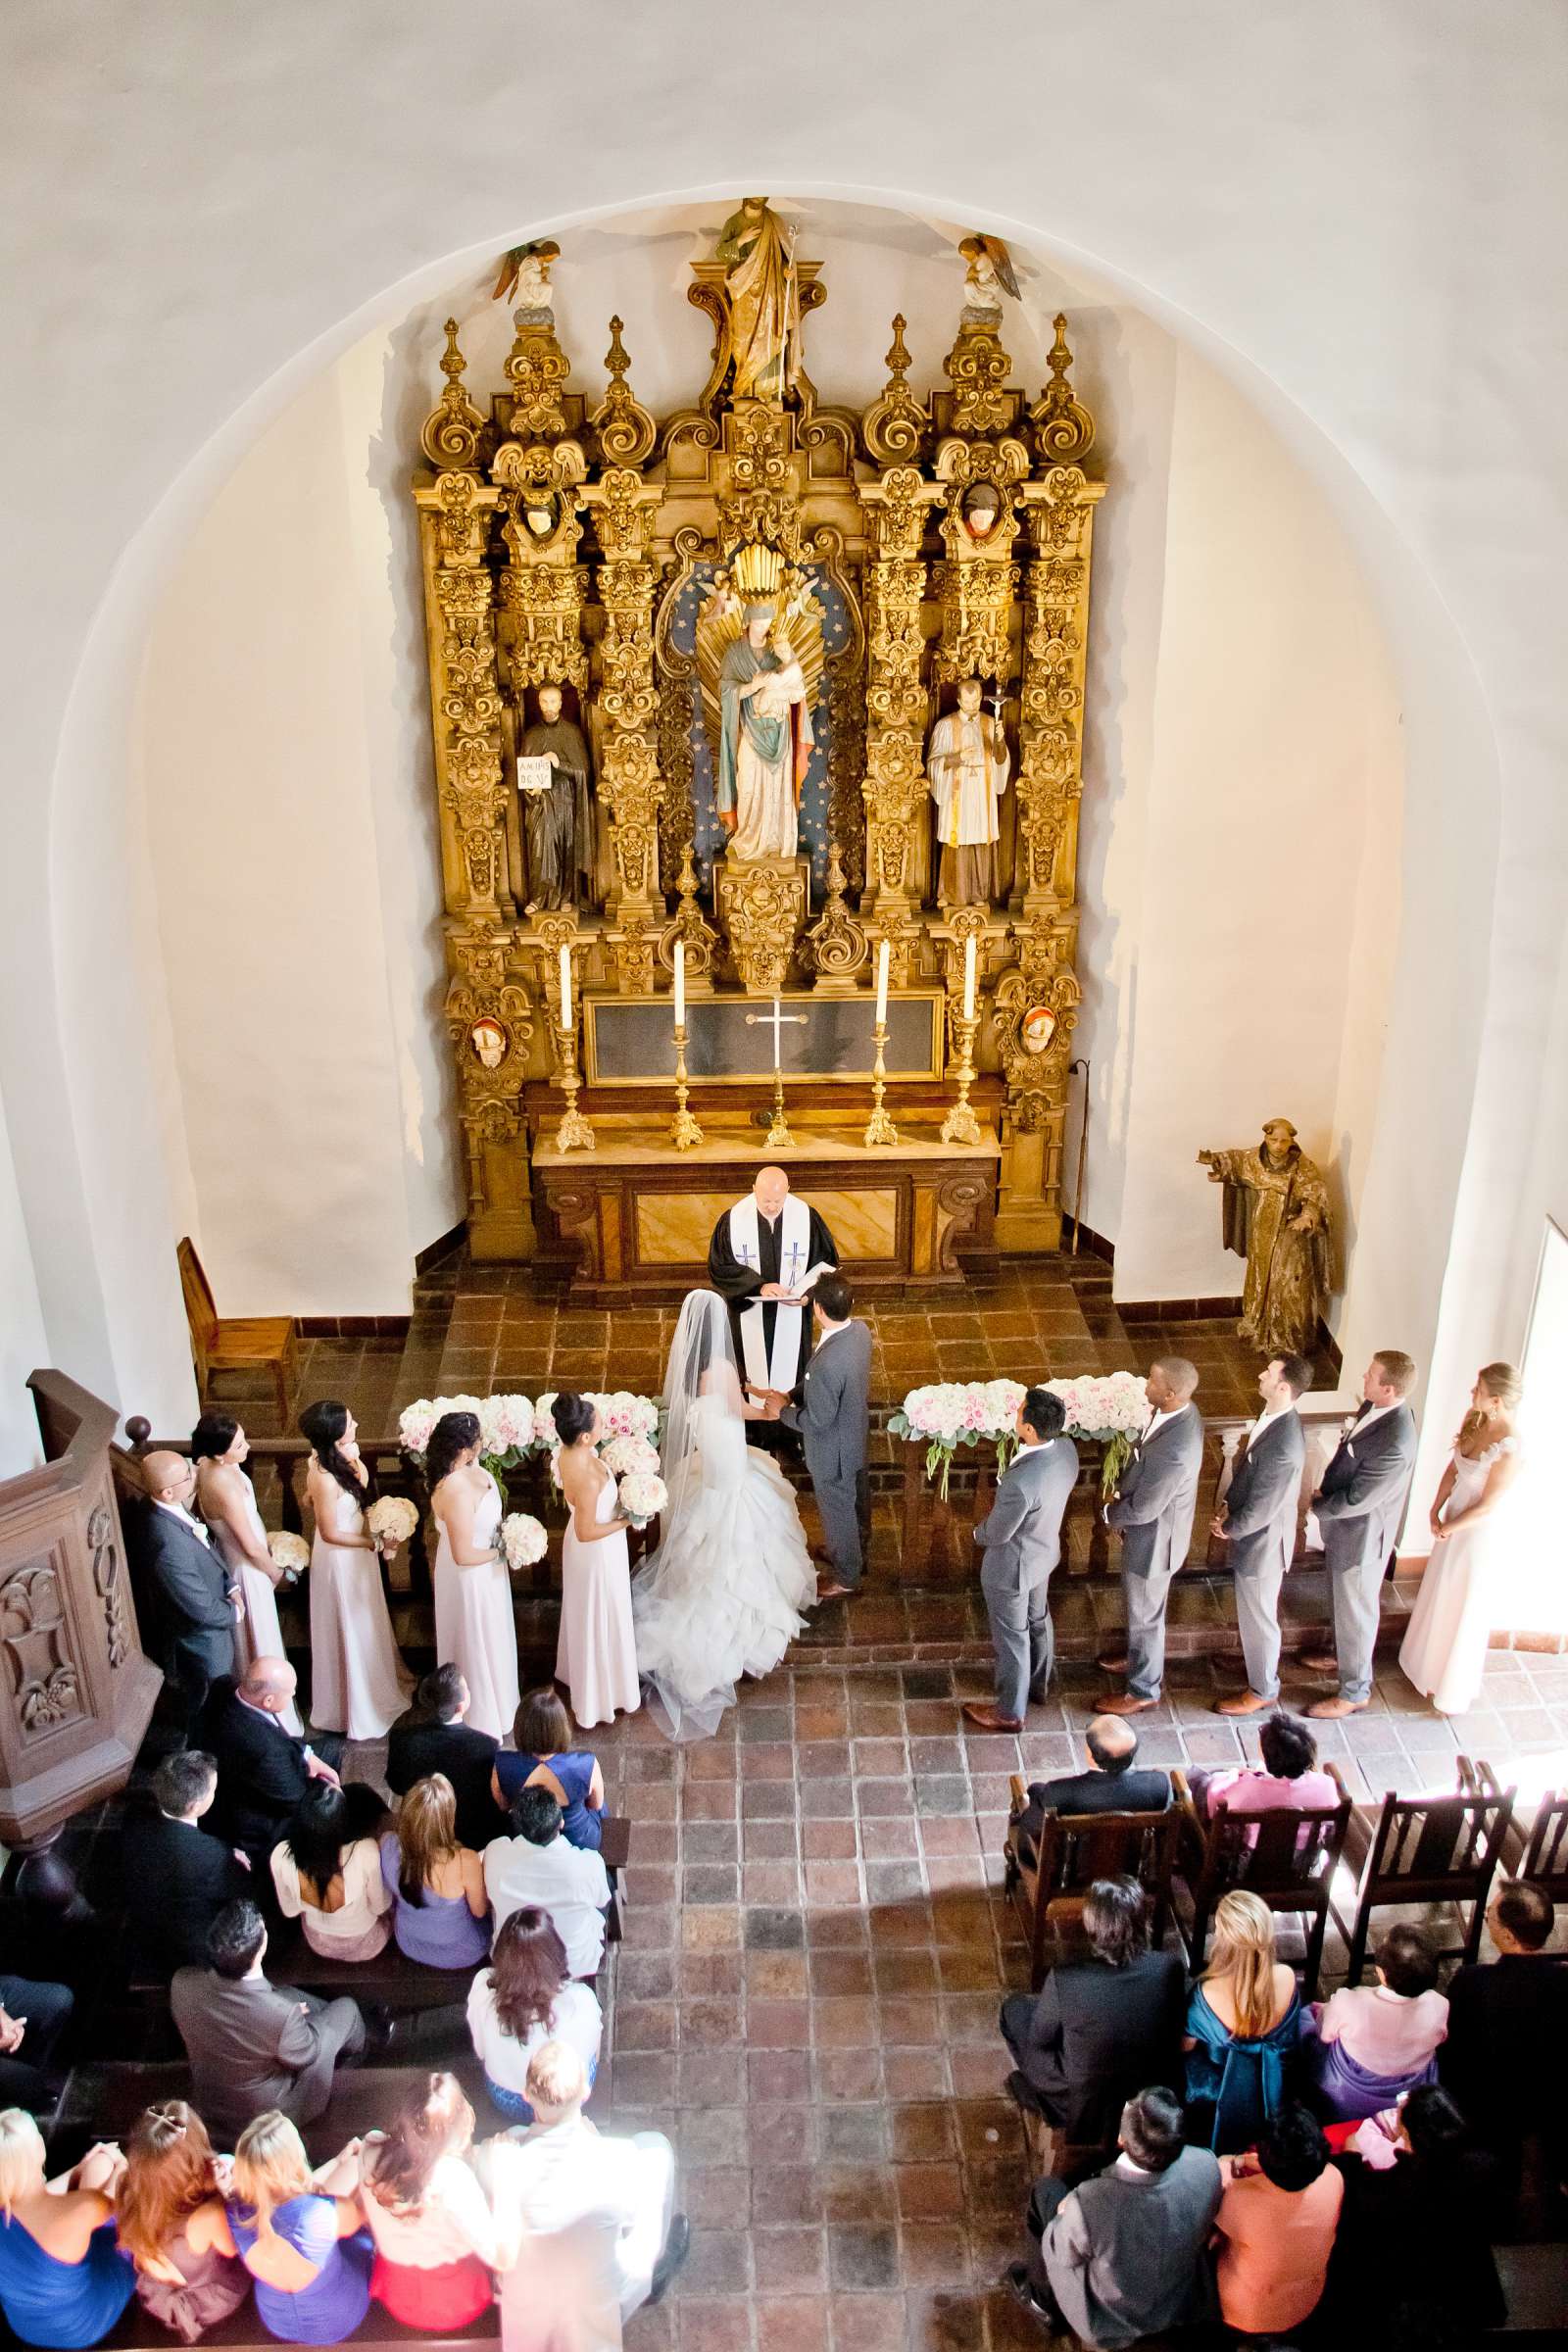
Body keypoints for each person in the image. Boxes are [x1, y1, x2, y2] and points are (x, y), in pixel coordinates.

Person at [631, 1291, 816, 1739]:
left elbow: (714, 1407)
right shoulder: (724, 1369)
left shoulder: (692, 1372)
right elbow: (741, 1411)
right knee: (748, 1507)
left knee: (708, 1506)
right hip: (730, 1449)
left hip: (711, 1451)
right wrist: (774, 1409)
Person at [481, 2039, 687, 2352]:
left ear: (526, 2095)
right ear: (585, 2094)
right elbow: (633, 2213)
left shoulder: (502, 2155)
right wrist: (597, 2143)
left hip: (529, 2302)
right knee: (656, 2148)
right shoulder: (619, 2160)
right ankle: (654, 2273)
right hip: (594, 2301)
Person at [1005, 2086, 1223, 2349]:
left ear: (1121, 2139)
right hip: (1173, 2298)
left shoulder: (1089, 2204)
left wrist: (1066, 2213)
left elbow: (1063, 2253)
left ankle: (1041, 2300)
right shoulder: (1207, 2165)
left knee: (1044, 2195)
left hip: (1110, 2317)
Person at [999, 1877, 1186, 2154]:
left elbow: (1040, 2040)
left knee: (1014, 2010)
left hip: (1084, 2095)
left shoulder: (1066, 1979)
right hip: (1145, 2083)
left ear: (1092, 1926)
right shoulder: (1170, 1967)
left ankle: (1047, 2102)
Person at [170, 1900, 369, 2139]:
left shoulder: (182, 1983)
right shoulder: (280, 2014)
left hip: (213, 2101)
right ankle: (361, 2050)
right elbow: (306, 2055)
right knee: (346, 2009)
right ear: (260, 1947)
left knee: (296, 1999)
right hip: (268, 2115)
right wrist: (293, 2022)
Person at [1328, 2084, 1506, 2333]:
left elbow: (1358, 2206)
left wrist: (1350, 2159)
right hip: (1472, 2285)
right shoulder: (1487, 2168)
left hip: (1422, 2290)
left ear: (1411, 2134)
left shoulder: (1397, 2186)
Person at [1398, 1361, 1523, 1715]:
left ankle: (1449, 1682)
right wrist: (1435, 1509)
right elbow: (1454, 1469)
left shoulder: (1510, 1448)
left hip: (1475, 1534)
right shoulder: (1476, 1420)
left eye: (1479, 1390)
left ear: (1496, 1400)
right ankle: (1423, 1665)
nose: (1473, 1394)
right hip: (1452, 1520)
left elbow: (1488, 1505)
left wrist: (1449, 1528)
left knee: (1462, 1599)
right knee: (1439, 1589)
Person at [1302, 1349, 1419, 1720]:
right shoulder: (1377, 1408)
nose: (1363, 1379)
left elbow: (1359, 1499)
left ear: (1388, 1389)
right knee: (1344, 1601)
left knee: (1356, 1610)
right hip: (1347, 1529)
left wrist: (1315, 1506)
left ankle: (1354, 1690)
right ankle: (1342, 1654)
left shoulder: (1396, 1441)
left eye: (1370, 1376)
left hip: (1363, 1535)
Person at [337, 2074, 498, 2329]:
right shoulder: (453, 2177)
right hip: (457, 2300)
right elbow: (496, 2253)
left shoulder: (371, 2150)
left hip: (398, 2295)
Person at [964, 1387, 1079, 1733]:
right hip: (1043, 1553)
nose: (1016, 1414)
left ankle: (1010, 1712)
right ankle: (1039, 1684)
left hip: (1011, 1568)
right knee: (1038, 1618)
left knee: (1012, 1637)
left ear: (1029, 1429)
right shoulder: (1066, 1449)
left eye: (1020, 1412)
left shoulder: (1021, 1482)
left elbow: (998, 1532)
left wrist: (975, 1534)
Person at [1442, 1881, 1568, 2187]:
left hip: (1488, 2110)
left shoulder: (1471, 1982)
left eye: (1489, 1917)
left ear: (1509, 1936)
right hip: (1554, 2103)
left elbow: (1452, 2055)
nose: (1486, 1921)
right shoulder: (1564, 1980)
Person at [301, 1398, 412, 1740]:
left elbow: (328, 1496)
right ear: (334, 1437)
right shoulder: (322, 1475)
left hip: (356, 1552)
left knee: (368, 1621)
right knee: (351, 1623)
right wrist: (372, 1544)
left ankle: (378, 1684)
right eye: (350, 1423)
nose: (357, 1426)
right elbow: (329, 1532)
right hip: (340, 1558)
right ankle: (355, 1705)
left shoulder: (339, 1457)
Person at [1100, 1357, 1203, 1716]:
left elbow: (1146, 1509)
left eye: (1152, 1381)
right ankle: (1137, 1659)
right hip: (1153, 1532)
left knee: (1146, 1615)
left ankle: (1143, 1689)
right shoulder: (1178, 1414)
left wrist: (1110, 1514)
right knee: (1141, 1609)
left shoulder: (1176, 1450)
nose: (1146, 1384)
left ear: (1171, 1394)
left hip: (1156, 1541)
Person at [1211, 1352, 1312, 1715]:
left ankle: (1263, 1688)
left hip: (1265, 1544)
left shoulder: (1285, 1445)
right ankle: (1254, 1665)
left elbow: (1265, 1505)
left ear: (1283, 1387)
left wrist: (1229, 1527)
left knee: (1259, 1617)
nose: (1260, 1374)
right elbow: (1249, 1476)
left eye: (1268, 1373)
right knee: (1252, 1613)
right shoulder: (1272, 1418)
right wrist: (1228, 1506)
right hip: (1256, 1534)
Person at [761, 1271, 873, 1601]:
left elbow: (817, 1421)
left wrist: (780, 1412)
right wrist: (793, 1393)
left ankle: (847, 1576)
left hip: (831, 1450)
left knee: (837, 1513)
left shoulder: (826, 1366)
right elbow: (824, 1386)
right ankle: (856, 1548)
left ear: (819, 1310)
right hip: (854, 1434)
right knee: (856, 1501)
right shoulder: (860, 1332)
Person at [191, 1410, 301, 1733]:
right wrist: (275, 1572)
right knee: (260, 1643)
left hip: (249, 1561)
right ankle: (273, 1720)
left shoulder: (216, 1466)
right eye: (239, 1445)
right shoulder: (221, 1482)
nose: (248, 1447)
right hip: (247, 1570)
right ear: (218, 1453)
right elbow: (248, 1545)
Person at [225, 2110, 373, 2346]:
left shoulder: (235, 2212)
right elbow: (361, 2217)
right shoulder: (324, 2211)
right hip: (336, 2318)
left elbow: (291, 2197)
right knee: (363, 2239)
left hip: (276, 2319)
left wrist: (338, 2161)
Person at [116, 2099, 250, 2342]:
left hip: (160, 2285)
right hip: (208, 2296)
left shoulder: (128, 2187)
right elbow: (236, 2248)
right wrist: (228, 2195)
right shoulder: (208, 2217)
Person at [1199, 1118, 1332, 1358]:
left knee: (1289, 1287)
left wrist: (1307, 1216)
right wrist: (1216, 1161)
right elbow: (1235, 1160)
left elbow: (1315, 1196)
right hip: (1261, 1232)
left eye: (1284, 1140)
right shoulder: (1254, 1160)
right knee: (1259, 1280)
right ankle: (1257, 1328)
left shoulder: (1303, 1168)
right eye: (1273, 1140)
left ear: (1292, 1140)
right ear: (1266, 1138)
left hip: (1290, 1236)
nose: (1278, 1145)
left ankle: (1288, 1340)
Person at [0, 2110, 132, 2350]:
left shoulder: (7, 2207)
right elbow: (116, 2203)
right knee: (106, 2171)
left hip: (25, 2327)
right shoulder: (83, 2207)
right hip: (79, 2324)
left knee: (95, 2166)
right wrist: (120, 2163)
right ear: (38, 2149)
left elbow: (42, 2195)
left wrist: (82, 2166)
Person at [706, 1166, 838, 1405]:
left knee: (793, 1368)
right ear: (754, 1189)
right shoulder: (733, 1220)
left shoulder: (806, 1217)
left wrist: (807, 1295)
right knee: (750, 1366)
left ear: (788, 1190)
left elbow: (825, 1262)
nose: (772, 1206)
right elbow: (719, 1266)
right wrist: (758, 1286)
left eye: (778, 1200)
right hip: (749, 1312)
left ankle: (788, 1428)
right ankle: (754, 1429)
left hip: (793, 1312)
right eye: (766, 1200)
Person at [1184, 1888, 1303, 2153]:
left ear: (1222, 1940)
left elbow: (1186, 2045)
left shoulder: (1207, 1992)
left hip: (1218, 2091)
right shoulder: (1286, 1977)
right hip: (1274, 2080)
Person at [1211, 2101, 1342, 2339]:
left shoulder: (1239, 2198)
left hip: (1245, 2311)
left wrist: (1234, 2161)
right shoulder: (1334, 2179)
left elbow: (1220, 2171)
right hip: (1306, 2302)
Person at [197, 1659, 341, 1874]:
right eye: (291, 1693)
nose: (293, 1695)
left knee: (332, 1748)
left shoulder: (225, 1687)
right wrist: (331, 1794)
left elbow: (276, 1736)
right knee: (327, 1805)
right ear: (268, 1700)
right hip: (252, 1817)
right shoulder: (265, 1752)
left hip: (252, 1769)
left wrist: (307, 1755)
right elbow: (294, 1799)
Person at [428, 1410, 519, 1744]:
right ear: (466, 1448)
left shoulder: (472, 1470)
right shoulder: (454, 1490)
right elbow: (463, 1555)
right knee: (475, 1638)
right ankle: (479, 1712)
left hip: (488, 1573)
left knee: (494, 1635)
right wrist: (504, 1552)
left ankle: (503, 1701)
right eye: (478, 1438)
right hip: (470, 1578)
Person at [467, 1907, 604, 2120]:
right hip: (563, 2097)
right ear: (555, 1953)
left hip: (507, 2096)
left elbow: (480, 2051)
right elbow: (592, 2053)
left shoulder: (483, 1986)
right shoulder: (580, 2000)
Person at [121, 1750, 250, 1973]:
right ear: (193, 1806)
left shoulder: (134, 1817)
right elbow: (240, 1892)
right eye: (213, 1790)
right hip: (185, 1948)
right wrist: (238, 1862)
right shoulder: (211, 1857)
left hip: (145, 1912)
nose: (215, 1794)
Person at [555, 1394, 639, 1729]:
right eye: (599, 1422)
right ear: (586, 1436)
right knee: (602, 1614)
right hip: (597, 1553)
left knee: (592, 1612)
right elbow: (587, 1531)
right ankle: (604, 1695)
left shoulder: (569, 1452)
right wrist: (627, 1520)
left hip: (592, 1549)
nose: (604, 1424)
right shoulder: (588, 1478)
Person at [138, 1449, 241, 1721]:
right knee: (211, 1708)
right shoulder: (167, 1544)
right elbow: (195, 1604)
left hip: (214, 1622)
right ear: (167, 1493)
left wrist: (229, 1586)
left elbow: (206, 1550)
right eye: (186, 1476)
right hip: (200, 1641)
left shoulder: (172, 1509)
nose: (194, 1475)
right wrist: (234, 1613)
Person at [1306, 1924, 1447, 2120]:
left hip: (1348, 2097)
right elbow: (1440, 2038)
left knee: (1306, 2019)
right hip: (1411, 2094)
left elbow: (1324, 2034)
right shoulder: (1440, 2005)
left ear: (1381, 1972)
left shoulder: (1350, 2001)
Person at [485, 1788, 611, 1984]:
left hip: (514, 1961)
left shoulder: (495, 1853)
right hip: (573, 1962)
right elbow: (602, 1899)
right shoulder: (587, 1864)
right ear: (561, 1823)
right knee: (606, 1887)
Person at [1012, 1715, 1171, 1868]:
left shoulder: (1059, 1792)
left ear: (1090, 1754)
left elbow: (1031, 1832)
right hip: (1134, 1867)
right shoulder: (1159, 1785)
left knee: (1036, 1792)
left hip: (1072, 1873)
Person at [387, 1664, 505, 1853]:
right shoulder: (486, 1746)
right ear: (461, 1705)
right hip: (472, 1835)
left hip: (423, 1830)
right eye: (466, 1689)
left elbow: (396, 1784)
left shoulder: (401, 1738)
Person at [270, 1782, 391, 1962]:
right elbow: (380, 1906)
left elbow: (290, 1910)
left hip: (319, 1942)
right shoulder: (364, 1851)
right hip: (366, 1943)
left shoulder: (280, 1855)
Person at [379, 1774, 490, 1971]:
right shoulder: (465, 1860)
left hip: (410, 1942)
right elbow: (479, 1911)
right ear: (447, 1818)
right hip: (461, 1949)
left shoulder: (387, 1844)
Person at [926, 673, 1010, 905]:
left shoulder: (990, 723)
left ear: (982, 698)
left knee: (978, 840)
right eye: (968, 701)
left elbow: (1001, 761)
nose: (972, 706)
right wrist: (957, 758)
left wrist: (1000, 741)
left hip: (981, 792)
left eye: (976, 701)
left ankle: (977, 894)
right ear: (959, 700)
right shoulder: (945, 726)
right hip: (957, 792)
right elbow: (933, 763)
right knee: (956, 840)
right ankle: (948, 893)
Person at [492, 1688, 607, 1850]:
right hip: (577, 1839)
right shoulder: (586, 1764)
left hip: (526, 1836)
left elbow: (504, 1806)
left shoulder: (502, 1765)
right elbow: (596, 1805)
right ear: (562, 1728)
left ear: (521, 1727)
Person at [518, 681, 593, 912]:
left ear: (561, 703)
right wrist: (532, 791)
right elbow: (523, 773)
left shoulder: (572, 733)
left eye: (553, 701)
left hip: (565, 801)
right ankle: (538, 898)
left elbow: (583, 771)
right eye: (544, 701)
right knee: (540, 848)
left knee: (565, 850)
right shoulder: (531, 735)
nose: (548, 706)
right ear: (538, 703)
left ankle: (566, 898)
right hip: (540, 804)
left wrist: (559, 764)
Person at [1194, 1709, 1339, 1822]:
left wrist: (1236, 1775)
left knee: (1203, 1783)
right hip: (1306, 1859)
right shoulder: (1327, 1785)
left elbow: (1220, 1810)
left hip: (1251, 1858)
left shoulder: (1248, 1789)